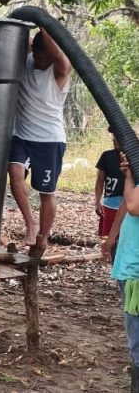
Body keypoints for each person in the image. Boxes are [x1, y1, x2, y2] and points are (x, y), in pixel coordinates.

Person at [8, 28, 72, 257]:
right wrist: (31, 32)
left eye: (46, 58)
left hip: (49, 139)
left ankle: (43, 236)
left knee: (47, 192)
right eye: (38, 56)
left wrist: (45, 25)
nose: (41, 62)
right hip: (22, 135)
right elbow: (18, 39)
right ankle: (31, 224)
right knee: (14, 172)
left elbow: (60, 57)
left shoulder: (59, 72)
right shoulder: (24, 61)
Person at [102, 151, 139, 392]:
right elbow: (128, 203)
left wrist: (130, 177)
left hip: (136, 270)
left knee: (136, 334)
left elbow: (134, 205)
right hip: (131, 266)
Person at [95, 129, 125, 256]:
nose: (114, 140)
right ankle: (114, 264)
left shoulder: (134, 157)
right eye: (113, 137)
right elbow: (100, 181)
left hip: (130, 204)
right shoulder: (106, 156)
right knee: (110, 238)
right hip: (111, 203)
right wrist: (97, 201)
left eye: (117, 137)